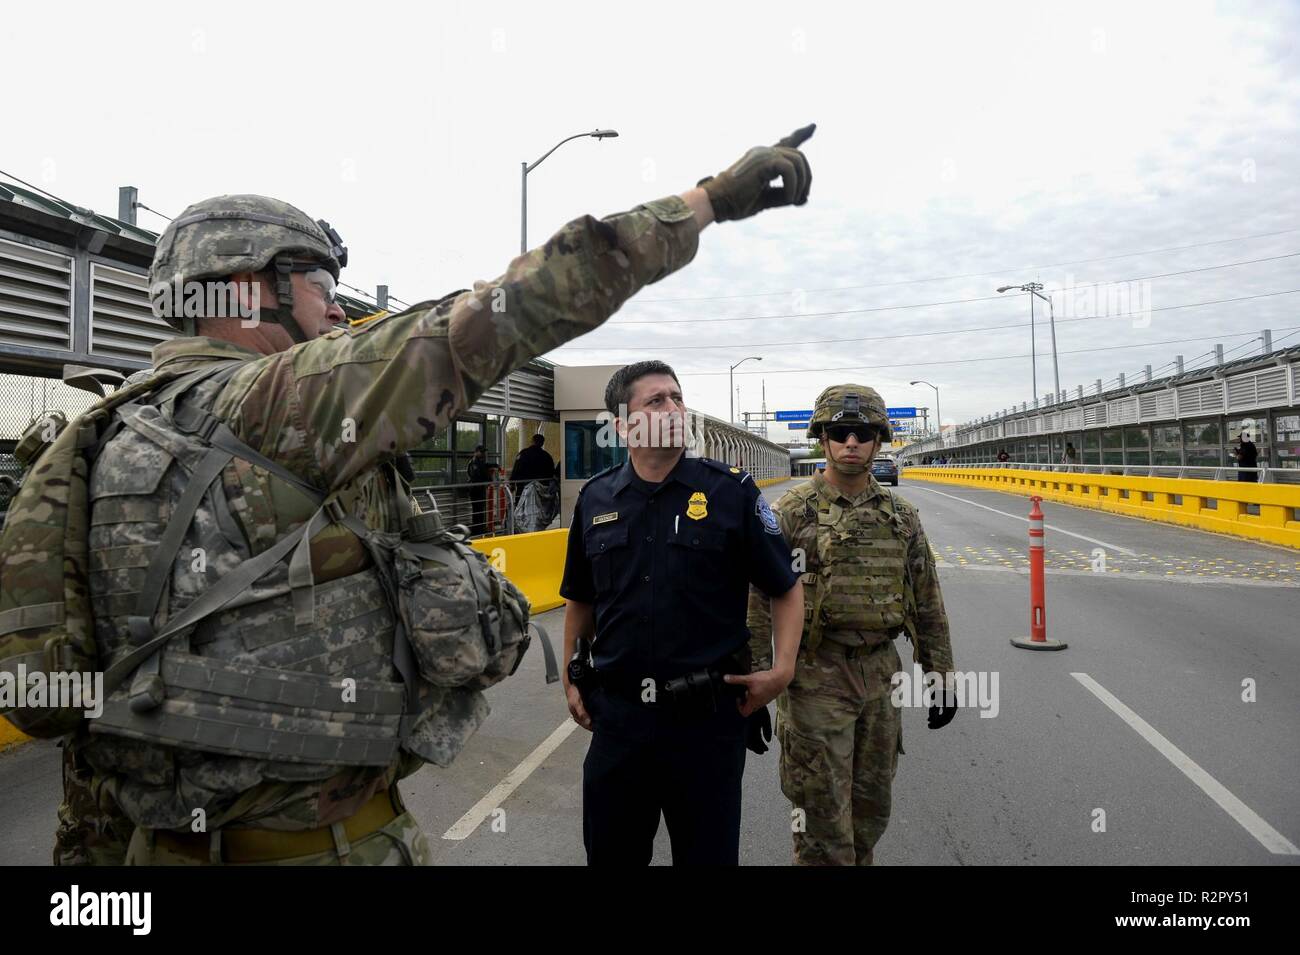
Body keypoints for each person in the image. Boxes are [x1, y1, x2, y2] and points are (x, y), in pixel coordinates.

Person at [37, 122, 816, 866]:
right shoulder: (281, 404)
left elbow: (65, 715)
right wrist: (708, 201)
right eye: (316, 285)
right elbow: (510, 309)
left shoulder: (98, 440)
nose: (336, 309)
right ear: (247, 292)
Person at [559, 360, 805, 865]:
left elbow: (785, 587)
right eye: (656, 401)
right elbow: (579, 600)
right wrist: (570, 679)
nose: (674, 408)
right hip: (620, 724)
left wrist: (782, 672)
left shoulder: (730, 492)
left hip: (707, 726)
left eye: (677, 397)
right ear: (624, 425)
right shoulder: (596, 498)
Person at [748, 384, 956, 866]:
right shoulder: (790, 513)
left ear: (879, 439)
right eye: (840, 432)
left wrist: (942, 676)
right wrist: (757, 682)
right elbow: (760, 601)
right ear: (822, 438)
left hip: (880, 677)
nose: (851, 442)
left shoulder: (901, 517)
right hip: (814, 677)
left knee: (870, 814)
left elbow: (926, 598)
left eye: (862, 433)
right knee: (823, 828)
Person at [510, 433, 555, 499]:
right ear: (542, 443)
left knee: (521, 505)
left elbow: (516, 468)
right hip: (541, 489)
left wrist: (512, 483)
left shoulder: (523, 453)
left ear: (532, 441)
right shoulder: (547, 456)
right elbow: (551, 472)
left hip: (523, 487)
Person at [467, 444, 492, 533]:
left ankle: (480, 527)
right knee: (477, 509)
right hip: (476, 489)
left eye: (484, 452)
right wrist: (488, 480)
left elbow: (484, 468)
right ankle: (477, 529)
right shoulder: (474, 463)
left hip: (479, 489)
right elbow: (477, 476)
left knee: (480, 509)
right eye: (481, 452)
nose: (483, 454)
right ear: (476, 452)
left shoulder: (479, 461)